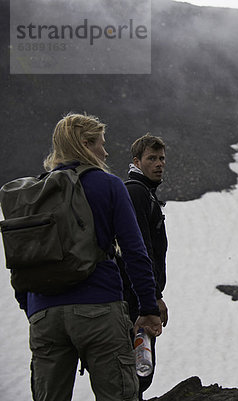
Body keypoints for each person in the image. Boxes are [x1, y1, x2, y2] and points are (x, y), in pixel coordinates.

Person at [14, 112, 162, 401]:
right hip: (99, 309)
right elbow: (135, 252)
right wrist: (148, 307)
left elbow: (21, 256)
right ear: (85, 144)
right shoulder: (108, 185)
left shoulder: (36, 190)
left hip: (45, 314)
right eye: (100, 144)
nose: (105, 151)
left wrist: (32, 307)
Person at [119, 133, 168, 400]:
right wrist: (152, 298)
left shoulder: (145, 194)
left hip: (138, 296)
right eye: (152, 158)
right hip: (135, 300)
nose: (159, 164)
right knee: (138, 371)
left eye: (161, 158)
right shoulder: (137, 193)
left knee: (138, 372)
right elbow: (139, 250)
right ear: (137, 162)